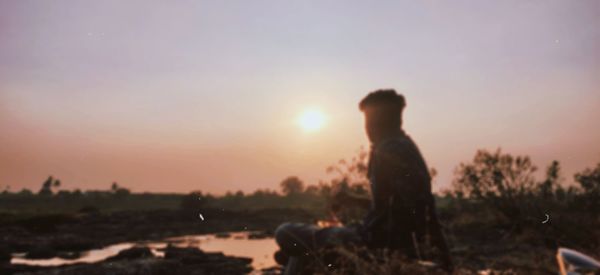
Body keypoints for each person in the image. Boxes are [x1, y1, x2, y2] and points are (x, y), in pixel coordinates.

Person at [275, 89, 453, 273]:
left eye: (368, 121)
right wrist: (352, 199)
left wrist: (429, 258)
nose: (367, 128)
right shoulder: (402, 146)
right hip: (376, 238)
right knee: (300, 252)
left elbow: (419, 206)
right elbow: (396, 207)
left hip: (372, 242)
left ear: (376, 122)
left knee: (285, 232)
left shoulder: (391, 149)